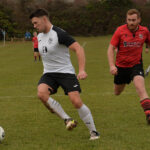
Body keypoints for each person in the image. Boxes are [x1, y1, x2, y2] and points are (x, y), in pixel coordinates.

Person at [29, 8, 99, 140]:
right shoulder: (39, 36)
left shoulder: (59, 33)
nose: (34, 26)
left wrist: (82, 70)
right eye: (33, 24)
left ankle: (94, 132)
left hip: (65, 72)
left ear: (44, 19)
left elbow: (78, 48)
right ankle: (67, 119)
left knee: (76, 102)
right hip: (49, 73)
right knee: (41, 93)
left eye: (36, 23)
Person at [107, 9, 150, 124]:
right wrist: (112, 66)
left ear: (139, 20)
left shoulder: (144, 31)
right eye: (129, 20)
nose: (131, 22)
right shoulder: (120, 31)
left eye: (134, 20)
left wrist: (147, 47)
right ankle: (125, 80)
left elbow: (148, 42)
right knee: (117, 92)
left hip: (136, 65)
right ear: (126, 20)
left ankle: (149, 114)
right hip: (120, 67)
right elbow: (110, 48)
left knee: (140, 88)